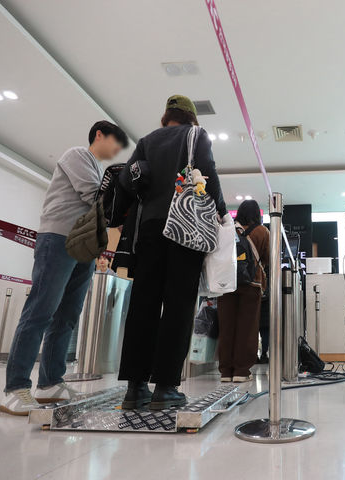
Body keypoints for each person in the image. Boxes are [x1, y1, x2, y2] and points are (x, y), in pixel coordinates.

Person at [1, 121, 128, 415]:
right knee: (40, 311)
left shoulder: (98, 169)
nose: (116, 149)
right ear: (99, 134)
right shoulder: (77, 156)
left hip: (85, 246)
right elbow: (95, 197)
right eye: (115, 141)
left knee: (67, 316)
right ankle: (15, 387)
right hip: (58, 238)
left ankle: (50, 384)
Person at [113, 95, 227, 410]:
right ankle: (165, 388)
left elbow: (126, 181)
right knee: (177, 304)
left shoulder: (146, 141)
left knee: (143, 303)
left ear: (166, 116)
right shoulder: (196, 136)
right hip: (184, 228)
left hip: (149, 229)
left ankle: (135, 389)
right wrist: (222, 212)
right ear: (192, 117)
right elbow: (208, 173)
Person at [217, 200, 270, 382]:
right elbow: (268, 259)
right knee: (247, 328)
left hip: (227, 283)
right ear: (257, 214)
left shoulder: (228, 229)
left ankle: (225, 371)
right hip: (252, 284)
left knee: (226, 327)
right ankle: (241, 371)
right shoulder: (262, 231)